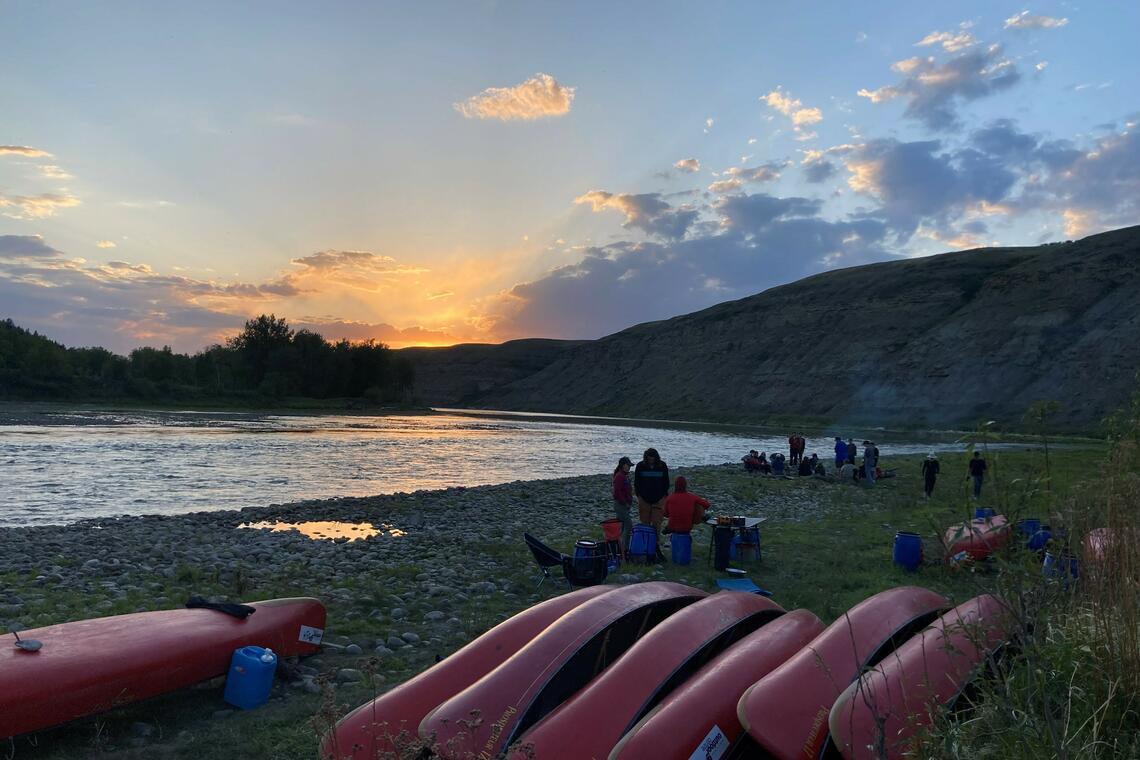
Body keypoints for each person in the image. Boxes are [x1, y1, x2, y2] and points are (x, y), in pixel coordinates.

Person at [634, 447, 670, 560]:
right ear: (646, 458)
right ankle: (644, 548)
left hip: (658, 500)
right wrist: (639, 496)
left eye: (652, 459)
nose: (651, 461)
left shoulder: (662, 466)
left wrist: (663, 497)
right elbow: (636, 483)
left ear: (656, 458)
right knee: (645, 525)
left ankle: (655, 548)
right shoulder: (640, 466)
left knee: (657, 525)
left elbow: (666, 483)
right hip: (644, 500)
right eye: (649, 459)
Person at [612, 456, 634, 550]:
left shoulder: (624, 476)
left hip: (624, 505)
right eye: (627, 465)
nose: (629, 467)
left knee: (622, 527)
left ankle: (619, 546)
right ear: (622, 465)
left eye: (629, 465)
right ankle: (625, 547)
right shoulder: (619, 476)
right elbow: (617, 492)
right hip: (621, 505)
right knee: (628, 525)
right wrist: (625, 503)